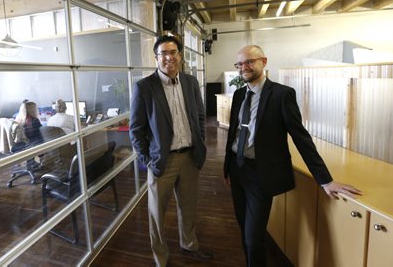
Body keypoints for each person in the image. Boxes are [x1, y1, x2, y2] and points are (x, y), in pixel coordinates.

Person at [224, 45, 362, 267]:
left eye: (249, 61)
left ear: (264, 61)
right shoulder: (240, 94)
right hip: (238, 170)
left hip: (262, 174)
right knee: (244, 229)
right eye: (240, 64)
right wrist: (227, 168)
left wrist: (324, 179)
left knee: (253, 237)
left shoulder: (281, 94)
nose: (244, 67)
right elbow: (235, 132)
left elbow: (301, 138)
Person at [129, 35, 212, 267]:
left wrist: (201, 144)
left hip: (189, 157)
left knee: (188, 207)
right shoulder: (144, 87)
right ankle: (161, 257)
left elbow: (200, 117)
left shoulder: (191, 82)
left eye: (173, 52)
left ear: (180, 56)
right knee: (157, 214)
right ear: (156, 58)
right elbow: (136, 130)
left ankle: (189, 244)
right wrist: (148, 160)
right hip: (161, 162)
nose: (169, 57)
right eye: (163, 53)